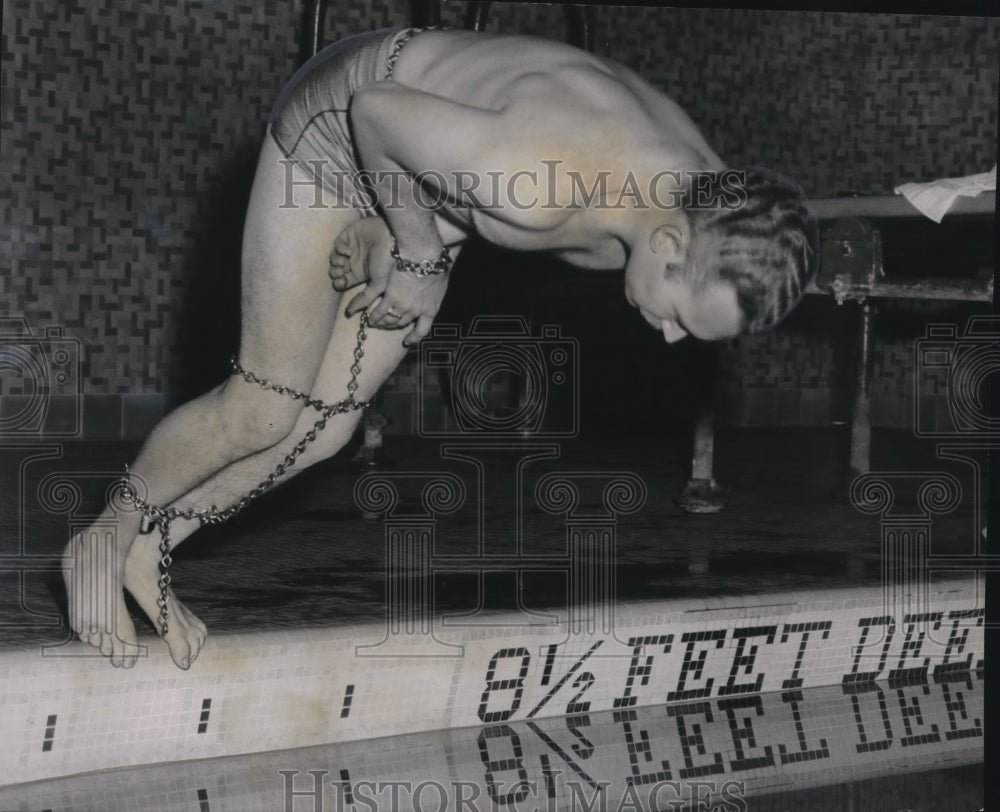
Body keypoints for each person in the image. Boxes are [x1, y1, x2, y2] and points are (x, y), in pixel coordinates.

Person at [63, 27, 817, 669]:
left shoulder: (710, 193)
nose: (671, 336)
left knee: (326, 432)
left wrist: (406, 234)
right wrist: (418, 258)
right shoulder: (536, 182)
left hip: (427, 171)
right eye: (683, 315)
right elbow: (378, 115)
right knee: (267, 405)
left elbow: (472, 184)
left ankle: (154, 541)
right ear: (668, 238)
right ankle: (105, 535)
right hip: (341, 133)